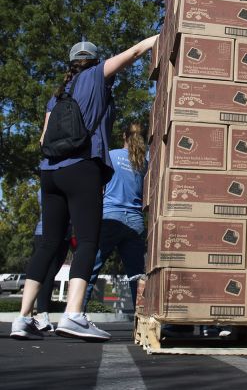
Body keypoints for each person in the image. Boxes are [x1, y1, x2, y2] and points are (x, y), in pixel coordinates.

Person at [11, 35, 158, 341]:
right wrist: (159, 36)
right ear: (93, 60)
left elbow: (42, 141)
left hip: (50, 172)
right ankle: (73, 315)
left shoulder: (58, 94)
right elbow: (132, 53)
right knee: (88, 240)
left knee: (49, 244)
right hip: (82, 168)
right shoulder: (96, 76)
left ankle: (22, 318)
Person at [83, 122, 147, 312]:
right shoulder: (146, 162)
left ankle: (76, 313)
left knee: (90, 269)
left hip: (110, 217)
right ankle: (140, 319)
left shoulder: (111, 156)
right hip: (135, 221)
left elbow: (97, 186)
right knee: (137, 276)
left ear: (124, 136)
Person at [31, 189, 72, 333]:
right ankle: (40, 315)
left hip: (64, 235)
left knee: (49, 275)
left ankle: (37, 315)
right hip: (47, 234)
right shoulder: (49, 185)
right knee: (46, 275)